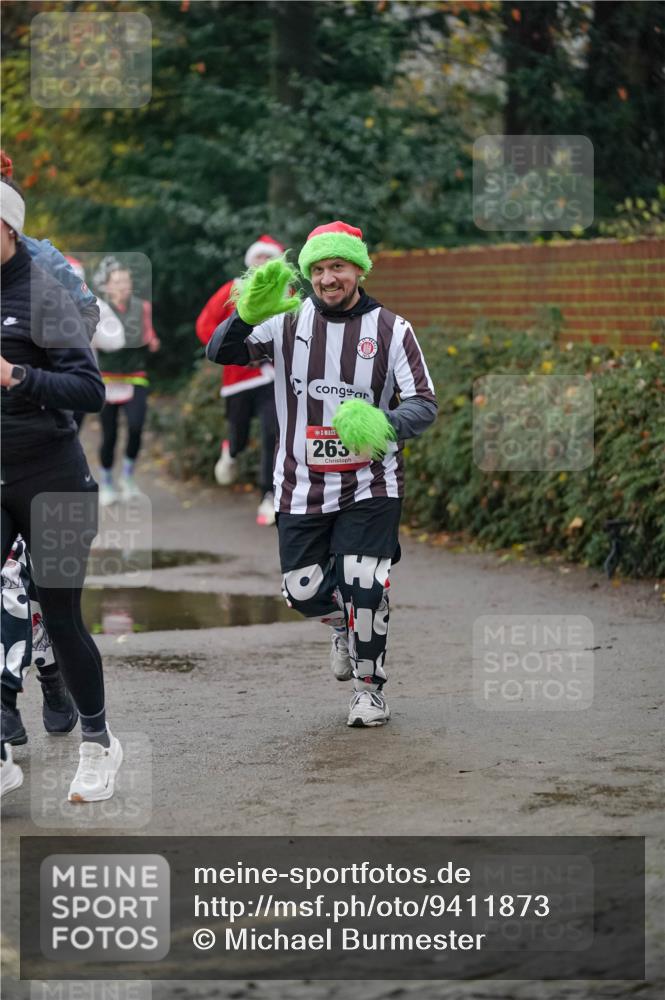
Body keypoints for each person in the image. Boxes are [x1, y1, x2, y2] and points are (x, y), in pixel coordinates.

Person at [206, 221, 437, 727]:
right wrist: (245, 315)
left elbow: (424, 403)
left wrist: (384, 423)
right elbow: (219, 352)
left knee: (364, 582)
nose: (327, 278)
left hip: (371, 482)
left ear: (358, 269)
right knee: (302, 590)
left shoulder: (392, 329)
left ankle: (369, 690)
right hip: (299, 482)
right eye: (318, 269)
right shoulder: (288, 320)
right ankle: (345, 626)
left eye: (338, 266)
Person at [0, 176, 123, 800]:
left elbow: (89, 391)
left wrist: (17, 374)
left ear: (9, 229)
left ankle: (99, 742)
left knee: (62, 614)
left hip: (54, 480)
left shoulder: (43, 295)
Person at [196, 235, 283, 526]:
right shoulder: (233, 289)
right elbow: (205, 325)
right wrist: (234, 353)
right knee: (240, 437)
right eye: (259, 258)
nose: (264, 263)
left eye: (269, 258)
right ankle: (230, 449)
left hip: (272, 377)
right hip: (239, 379)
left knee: (274, 432)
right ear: (250, 261)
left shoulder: (285, 290)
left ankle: (268, 497)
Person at [94, 255, 160, 505]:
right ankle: (107, 482)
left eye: (126, 281)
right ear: (107, 286)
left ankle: (128, 477)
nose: (123, 285)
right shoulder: (99, 308)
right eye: (118, 281)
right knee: (109, 435)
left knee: (135, 426)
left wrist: (152, 341)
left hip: (135, 375)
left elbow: (147, 332)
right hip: (107, 378)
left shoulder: (142, 306)